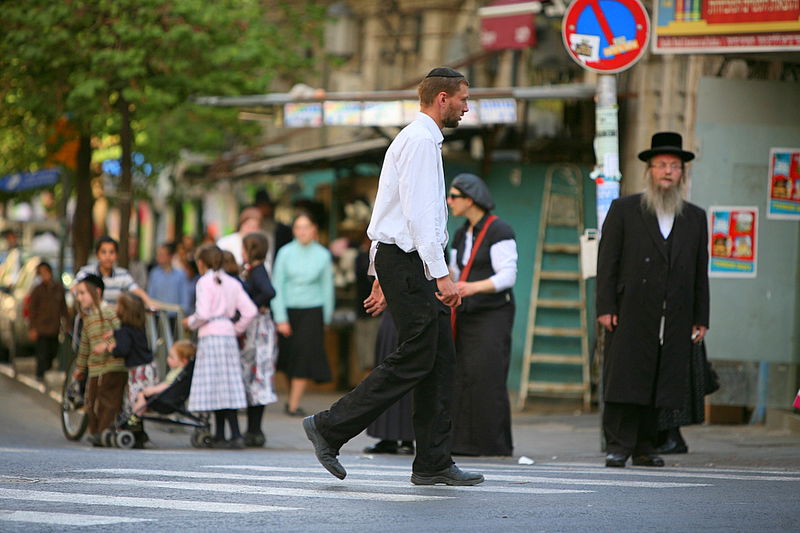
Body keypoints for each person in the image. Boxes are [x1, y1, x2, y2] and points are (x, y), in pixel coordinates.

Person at [303, 66, 484, 486]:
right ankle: (329, 426)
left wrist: (378, 274)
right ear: (442, 99)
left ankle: (434, 463)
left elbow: (391, 213)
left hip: (402, 261)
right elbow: (419, 217)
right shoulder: (420, 142)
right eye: (462, 98)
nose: (466, 105)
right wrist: (441, 277)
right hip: (410, 262)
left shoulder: (418, 140)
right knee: (420, 353)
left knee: (440, 360)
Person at [596, 131, 709, 468]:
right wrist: (605, 308)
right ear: (649, 171)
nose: (667, 172)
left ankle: (646, 446)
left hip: (674, 314)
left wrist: (700, 316)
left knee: (660, 381)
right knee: (625, 379)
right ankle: (618, 445)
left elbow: (700, 271)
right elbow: (608, 263)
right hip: (630, 310)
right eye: (661, 165)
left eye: (674, 166)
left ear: (682, 174)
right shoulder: (625, 209)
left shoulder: (695, 217)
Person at [447, 173, 517, 457]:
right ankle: (462, 444)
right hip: (466, 313)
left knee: (487, 375)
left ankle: (493, 444)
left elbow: (507, 276)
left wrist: (471, 287)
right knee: (463, 376)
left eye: (453, 196)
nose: (449, 202)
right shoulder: (461, 233)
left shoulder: (500, 230)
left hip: (493, 314)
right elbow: (453, 269)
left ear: (470, 199)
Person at [183, 244, 257, 449]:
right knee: (228, 386)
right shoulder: (233, 282)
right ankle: (233, 433)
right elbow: (250, 310)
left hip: (211, 336)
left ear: (201, 263)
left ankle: (222, 434)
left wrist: (189, 322)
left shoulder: (204, 282)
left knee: (216, 386)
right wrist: (236, 328)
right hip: (228, 335)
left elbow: (203, 313)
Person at [271, 213, 334, 417]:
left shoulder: (323, 254)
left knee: (303, 356)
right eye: (298, 227)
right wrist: (280, 317)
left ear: (314, 229)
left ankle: (292, 405)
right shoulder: (285, 253)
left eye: (306, 226)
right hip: (288, 310)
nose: (302, 231)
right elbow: (277, 285)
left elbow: (327, 288)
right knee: (289, 357)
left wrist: (326, 317)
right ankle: (292, 399)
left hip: (313, 310)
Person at [71, 274, 124, 446]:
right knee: (91, 400)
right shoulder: (88, 319)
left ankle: (103, 432)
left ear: (97, 292)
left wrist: (107, 344)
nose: (79, 298)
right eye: (78, 294)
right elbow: (84, 347)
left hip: (111, 365)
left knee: (107, 401)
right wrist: (80, 368)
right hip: (95, 368)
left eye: (83, 293)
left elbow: (120, 334)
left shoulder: (109, 312)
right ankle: (95, 431)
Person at [240, 232, 278, 446]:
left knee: (258, 376)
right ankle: (253, 430)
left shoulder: (257, 271)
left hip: (258, 330)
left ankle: (255, 430)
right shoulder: (254, 271)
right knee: (255, 377)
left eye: (244, 248)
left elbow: (269, 291)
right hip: (257, 329)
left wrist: (252, 305)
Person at [363, 310, 414, 455]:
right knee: (387, 373)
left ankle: (407, 438)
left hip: (413, 310)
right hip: (394, 310)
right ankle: (388, 437)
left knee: (408, 372)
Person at [101, 292, 158, 414]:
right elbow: (131, 337)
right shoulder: (139, 327)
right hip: (149, 368)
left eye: (117, 305)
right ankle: (137, 427)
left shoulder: (124, 330)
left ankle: (132, 424)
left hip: (137, 371)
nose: (115, 307)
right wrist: (115, 333)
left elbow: (123, 349)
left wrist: (111, 348)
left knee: (134, 400)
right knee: (143, 398)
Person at [75, 236, 152, 307]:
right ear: (97, 255)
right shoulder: (86, 273)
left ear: (117, 255)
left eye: (111, 252)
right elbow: (74, 290)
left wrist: (150, 303)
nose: (108, 256)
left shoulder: (123, 275)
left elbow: (136, 290)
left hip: (114, 319)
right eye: (103, 252)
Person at [131, 339, 196, 417]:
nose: (167, 359)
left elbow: (167, 385)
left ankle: (135, 417)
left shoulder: (178, 373)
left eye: (171, 357)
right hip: (171, 399)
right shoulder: (182, 372)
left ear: (183, 361)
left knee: (141, 395)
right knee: (143, 394)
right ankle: (136, 416)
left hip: (167, 401)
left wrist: (153, 390)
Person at [27, 262, 68, 380]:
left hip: (54, 328)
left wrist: (66, 324)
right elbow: (32, 310)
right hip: (41, 328)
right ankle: (40, 376)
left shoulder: (58, 288)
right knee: (42, 354)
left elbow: (63, 308)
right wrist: (33, 328)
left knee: (52, 352)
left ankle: (47, 373)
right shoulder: (37, 290)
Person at [147, 241, 191, 322]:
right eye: (158, 254)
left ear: (170, 256)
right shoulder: (154, 273)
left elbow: (185, 300)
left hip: (175, 318)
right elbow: (150, 296)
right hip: (157, 317)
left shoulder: (180, 275)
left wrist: (184, 314)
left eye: (162, 254)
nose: (159, 257)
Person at [253, 188, 292, 271]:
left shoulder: (283, 230)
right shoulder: (252, 229)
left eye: (266, 206)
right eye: (261, 206)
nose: (264, 210)